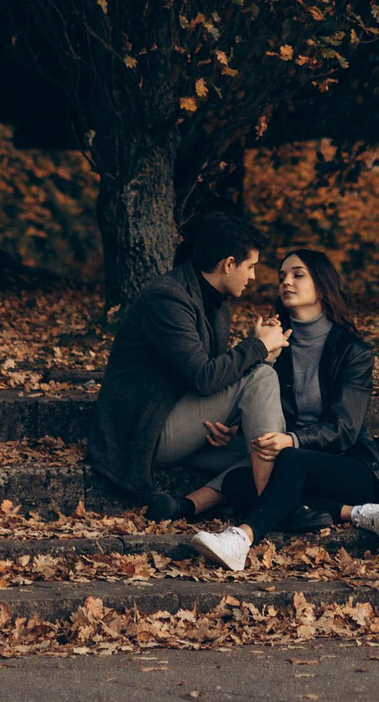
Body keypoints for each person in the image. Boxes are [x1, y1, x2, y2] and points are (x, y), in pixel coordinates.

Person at [180, 248, 379, 571]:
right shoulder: (278, 343)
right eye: (282, 277)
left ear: (322, 285)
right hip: (290, 462)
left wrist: (292, 440)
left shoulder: (353, 351)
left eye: (298, 274)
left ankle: (241, 538)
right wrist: (239, 422)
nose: (286, 282)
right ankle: (353, 513)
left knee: (286, 463)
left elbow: (345, 428)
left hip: (348, 464)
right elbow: (261, 399)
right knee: (240, 482)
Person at [87, 211, 292, 506]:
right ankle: (273, 509)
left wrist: (230, 418)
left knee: (267, 448)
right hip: (142, 433)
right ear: (228, 264)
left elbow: (217, 380)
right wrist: (257, 346)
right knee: (262, 377)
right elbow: (204, 377)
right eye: (250, 267)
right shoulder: (168, 299)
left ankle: (189, 506)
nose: (253, 277)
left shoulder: (216, 306)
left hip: (181, 417)